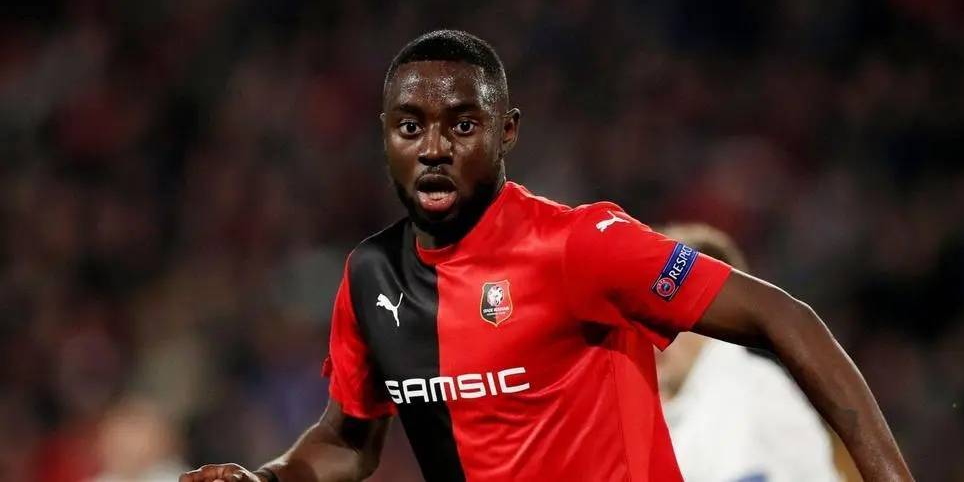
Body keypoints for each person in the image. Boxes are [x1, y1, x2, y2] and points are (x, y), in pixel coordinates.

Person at [180, 30, 912, 482]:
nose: (433, 148)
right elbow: (349, 441)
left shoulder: (579, 246)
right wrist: (267, 479)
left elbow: (785, 318)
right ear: (384, 135)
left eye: (461, 125)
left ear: (507, 132)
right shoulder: (371, 277)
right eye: (410, 126)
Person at [656, 223, 842, 482]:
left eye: (664, 314)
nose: (651, 335)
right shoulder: (695, 404)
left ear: (714, 314)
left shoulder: (740, 391)